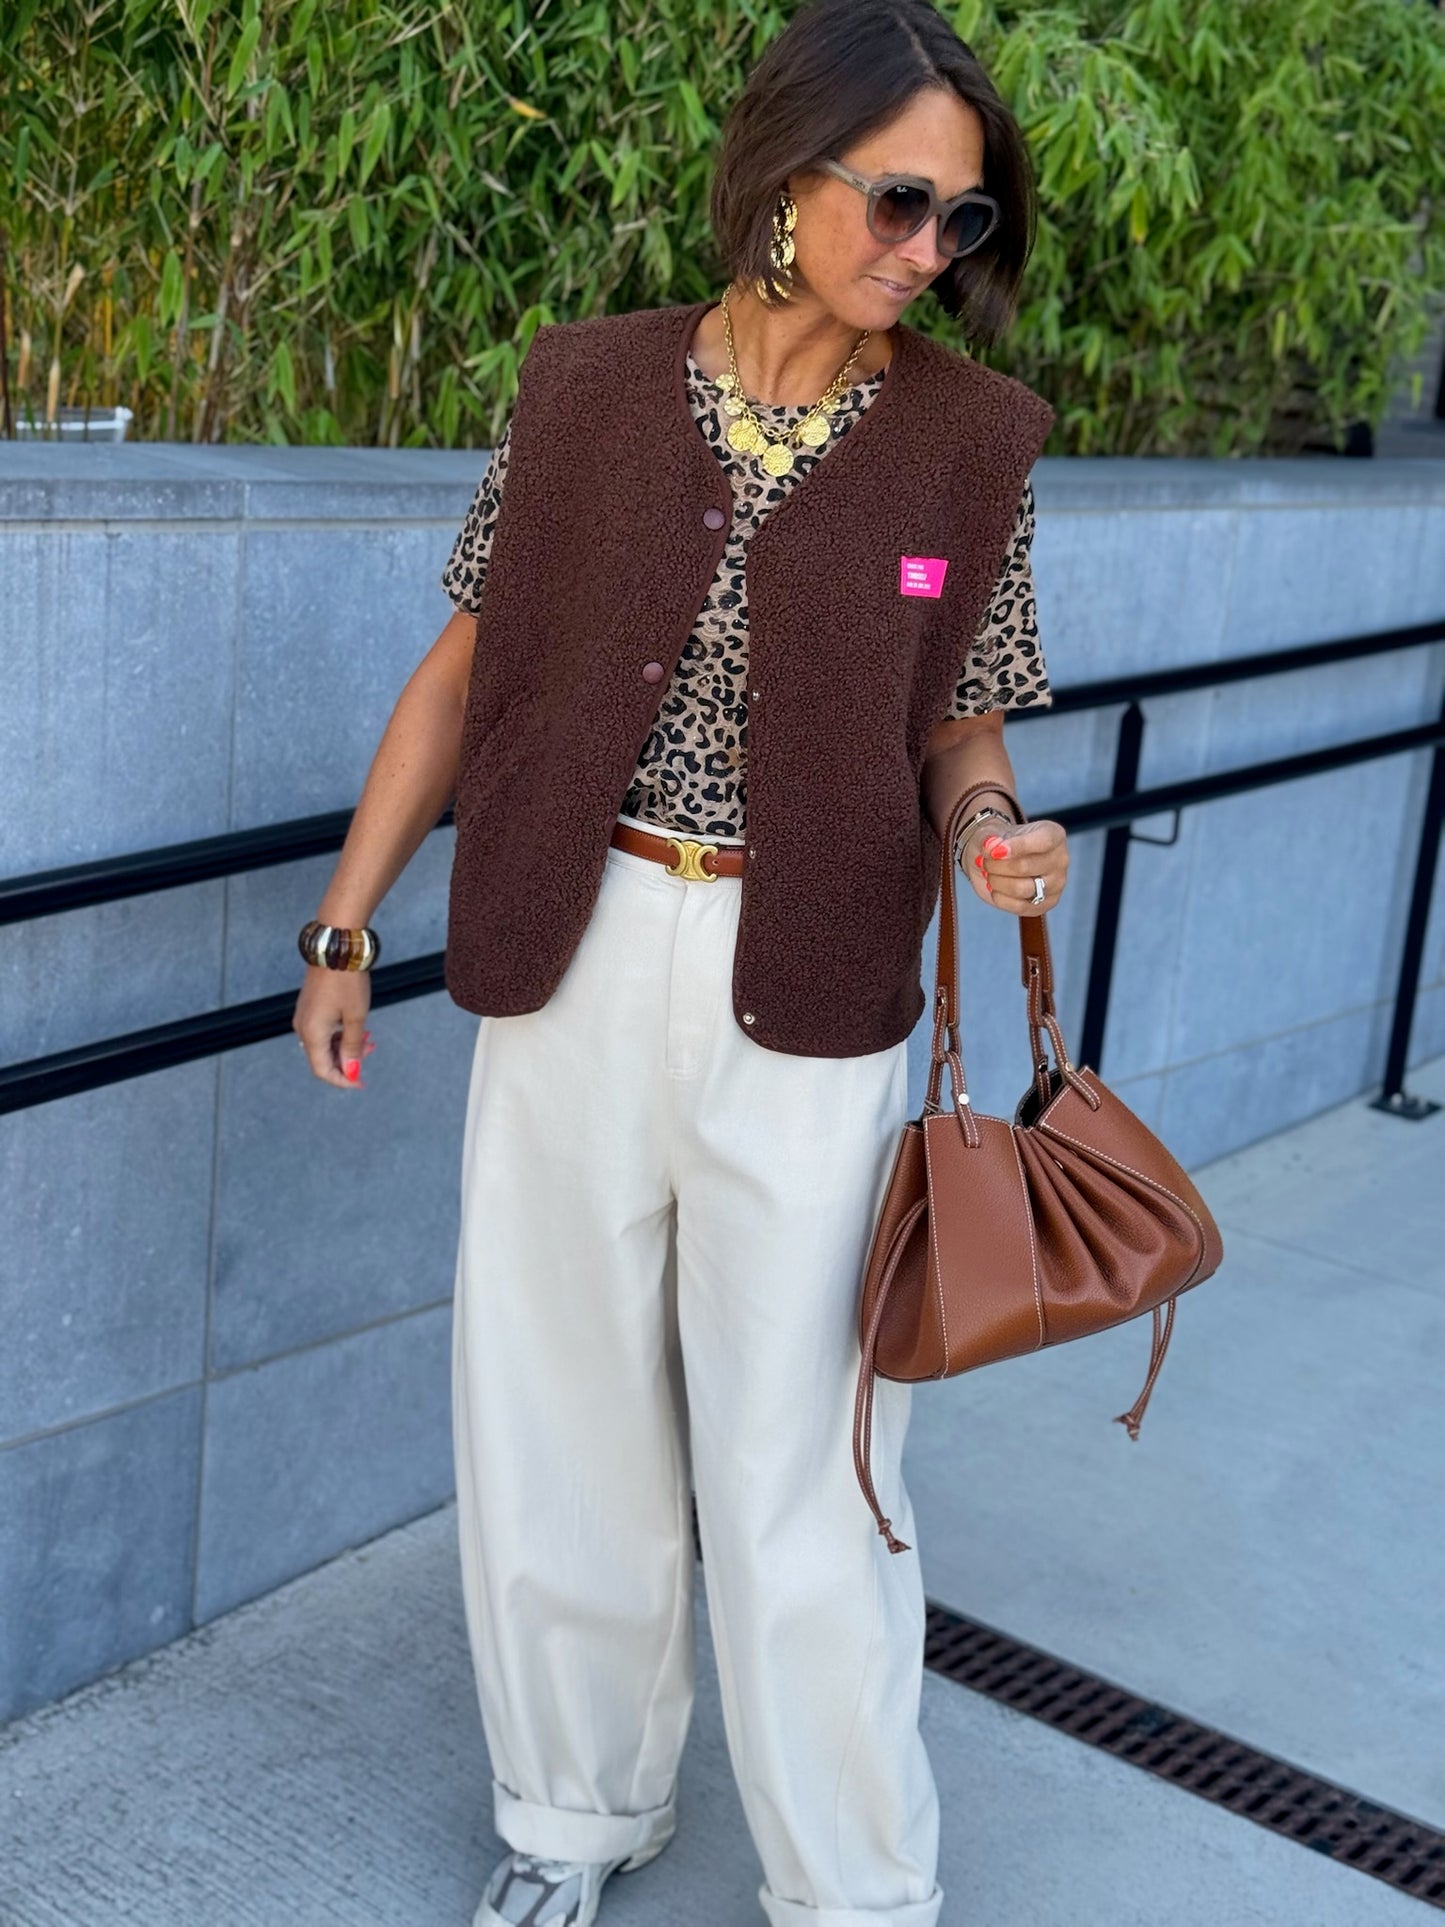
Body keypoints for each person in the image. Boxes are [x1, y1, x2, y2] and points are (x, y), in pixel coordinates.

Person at [292, 0, 1069, 1919]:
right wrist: (345, 924)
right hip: (570, 945)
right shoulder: (583, 388)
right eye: (898, 201)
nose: (926, 249)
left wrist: (990, 829)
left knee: (808, 1453)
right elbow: (463, 671)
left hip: (810, 981)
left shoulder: (972, 444)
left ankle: (852, 1885)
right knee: (553, 1408)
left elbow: (959, 718)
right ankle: (574, 1814)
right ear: (783, 177)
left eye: (962, 219)